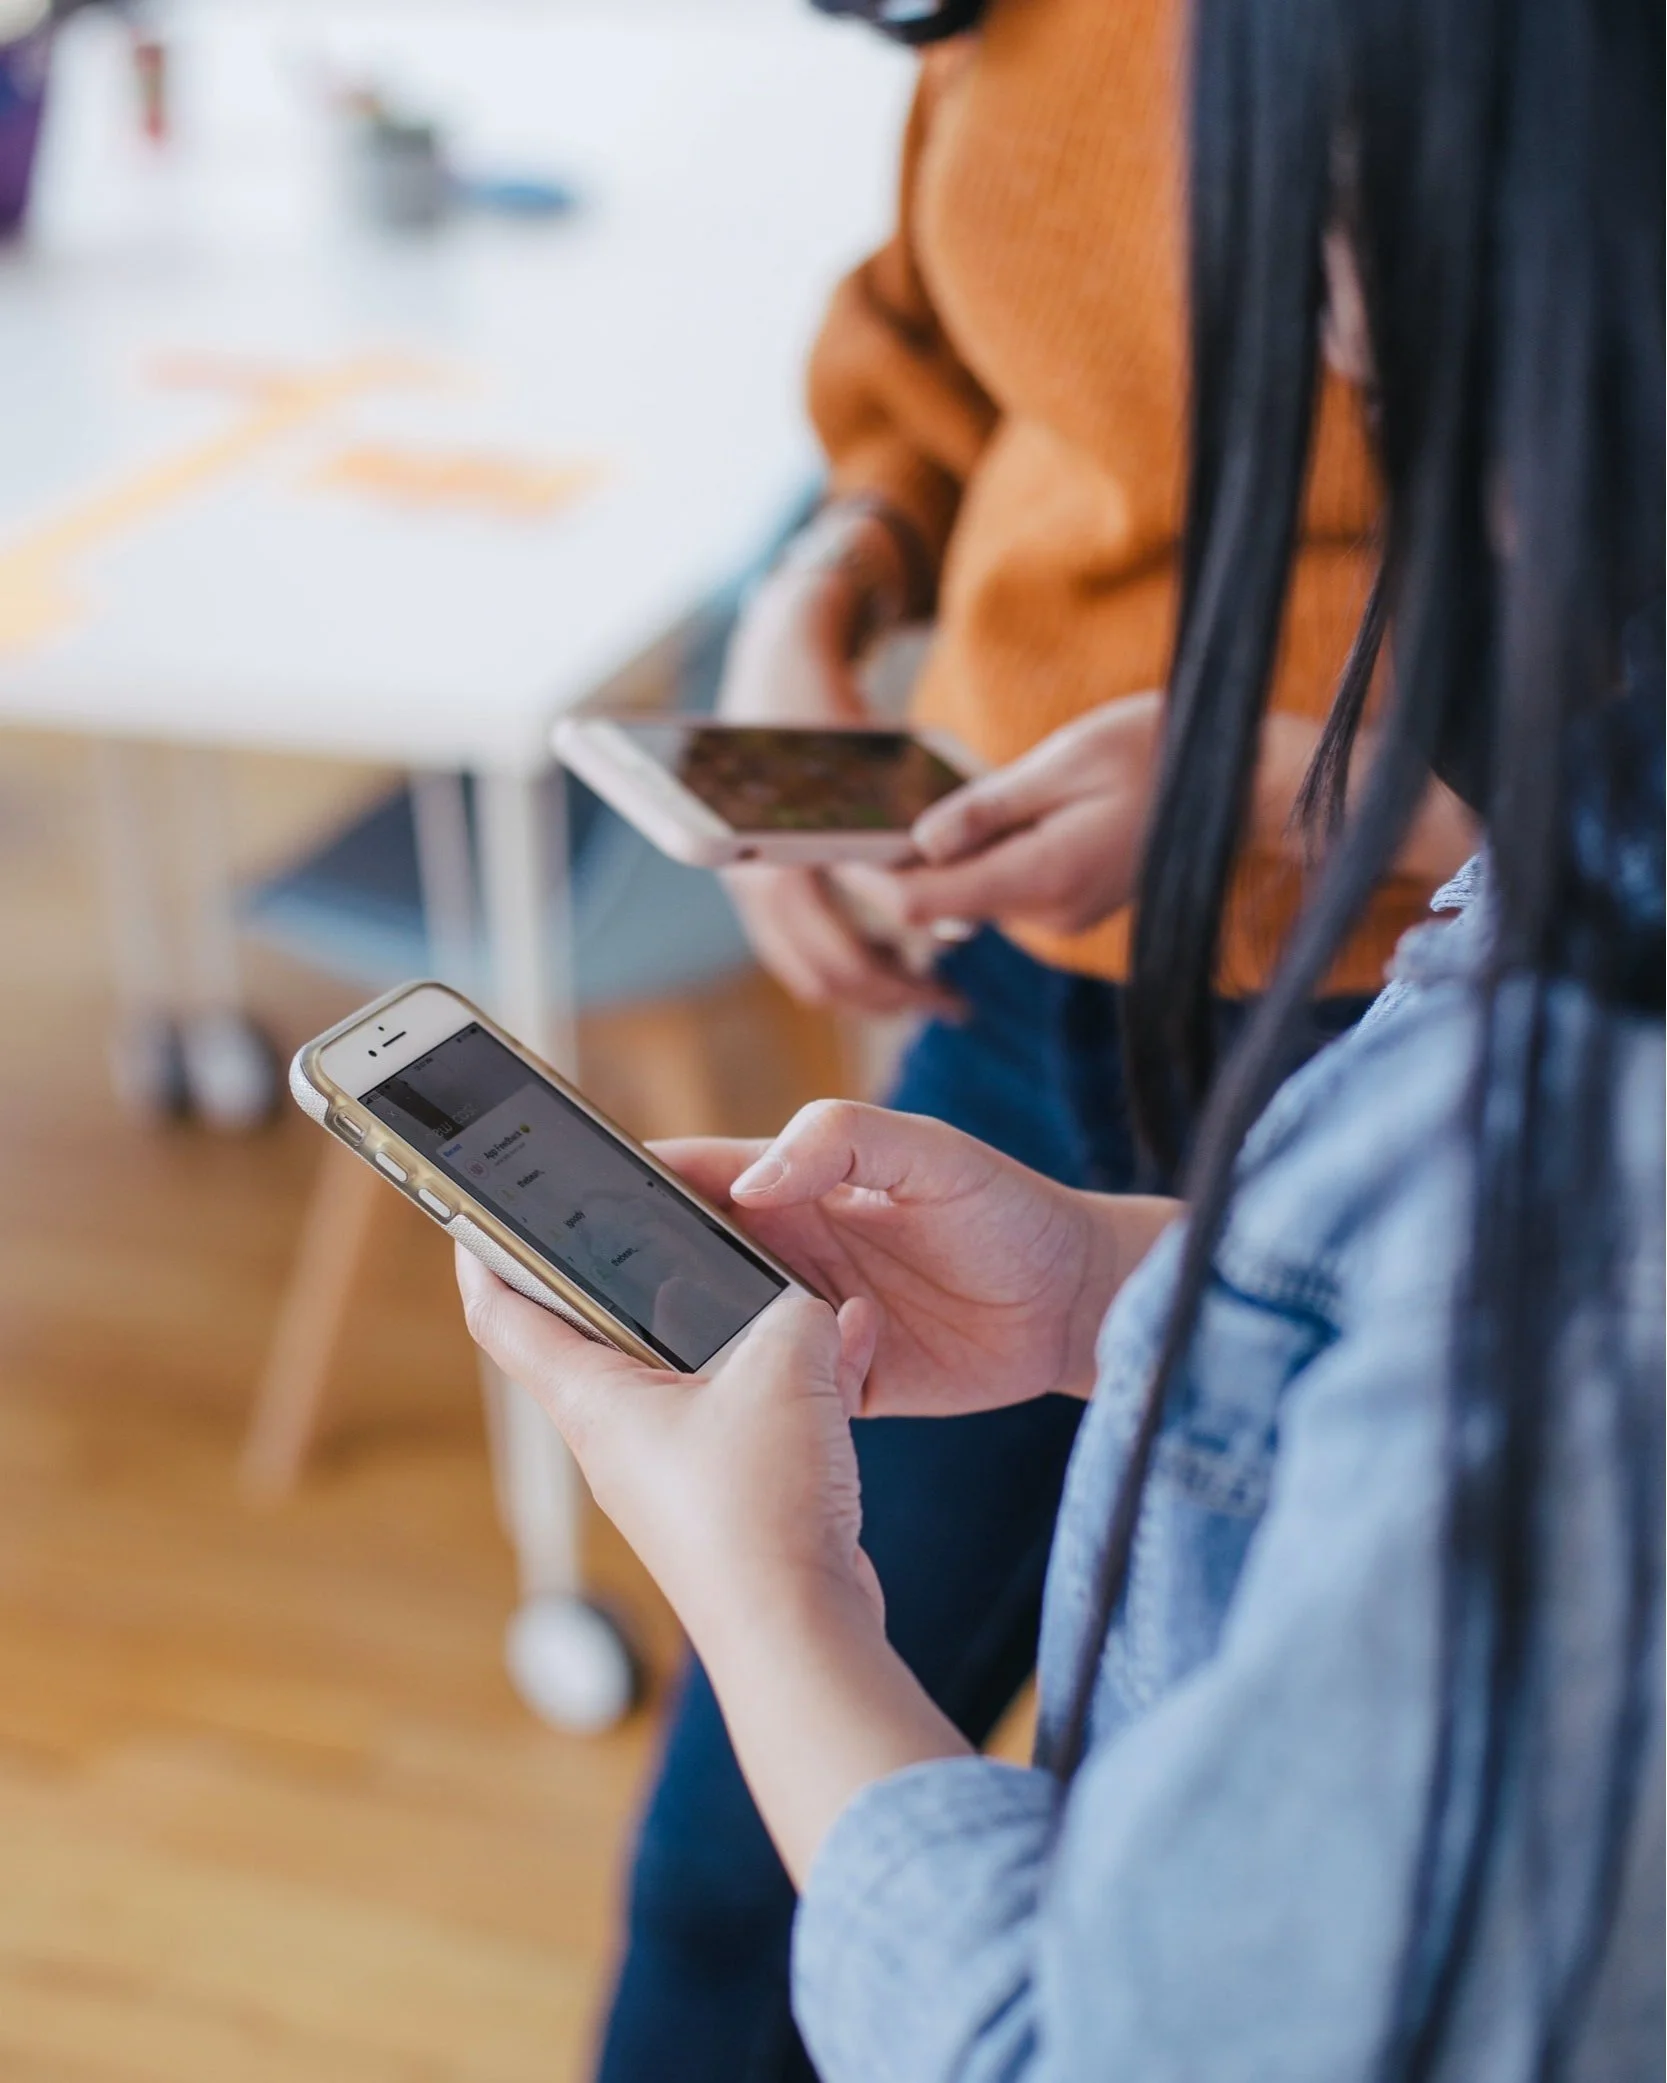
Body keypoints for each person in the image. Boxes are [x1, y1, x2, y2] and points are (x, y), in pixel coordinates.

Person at [460, 0, 1664, 2073]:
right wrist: (1130, 1274)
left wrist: (764, 1597)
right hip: (1061, 981)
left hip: (1366, 1011)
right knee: (722, 1877)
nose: (1316, 329)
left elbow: (1097, 2030)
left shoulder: (1529, 1184)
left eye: (1340, 272)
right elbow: (921, 340)